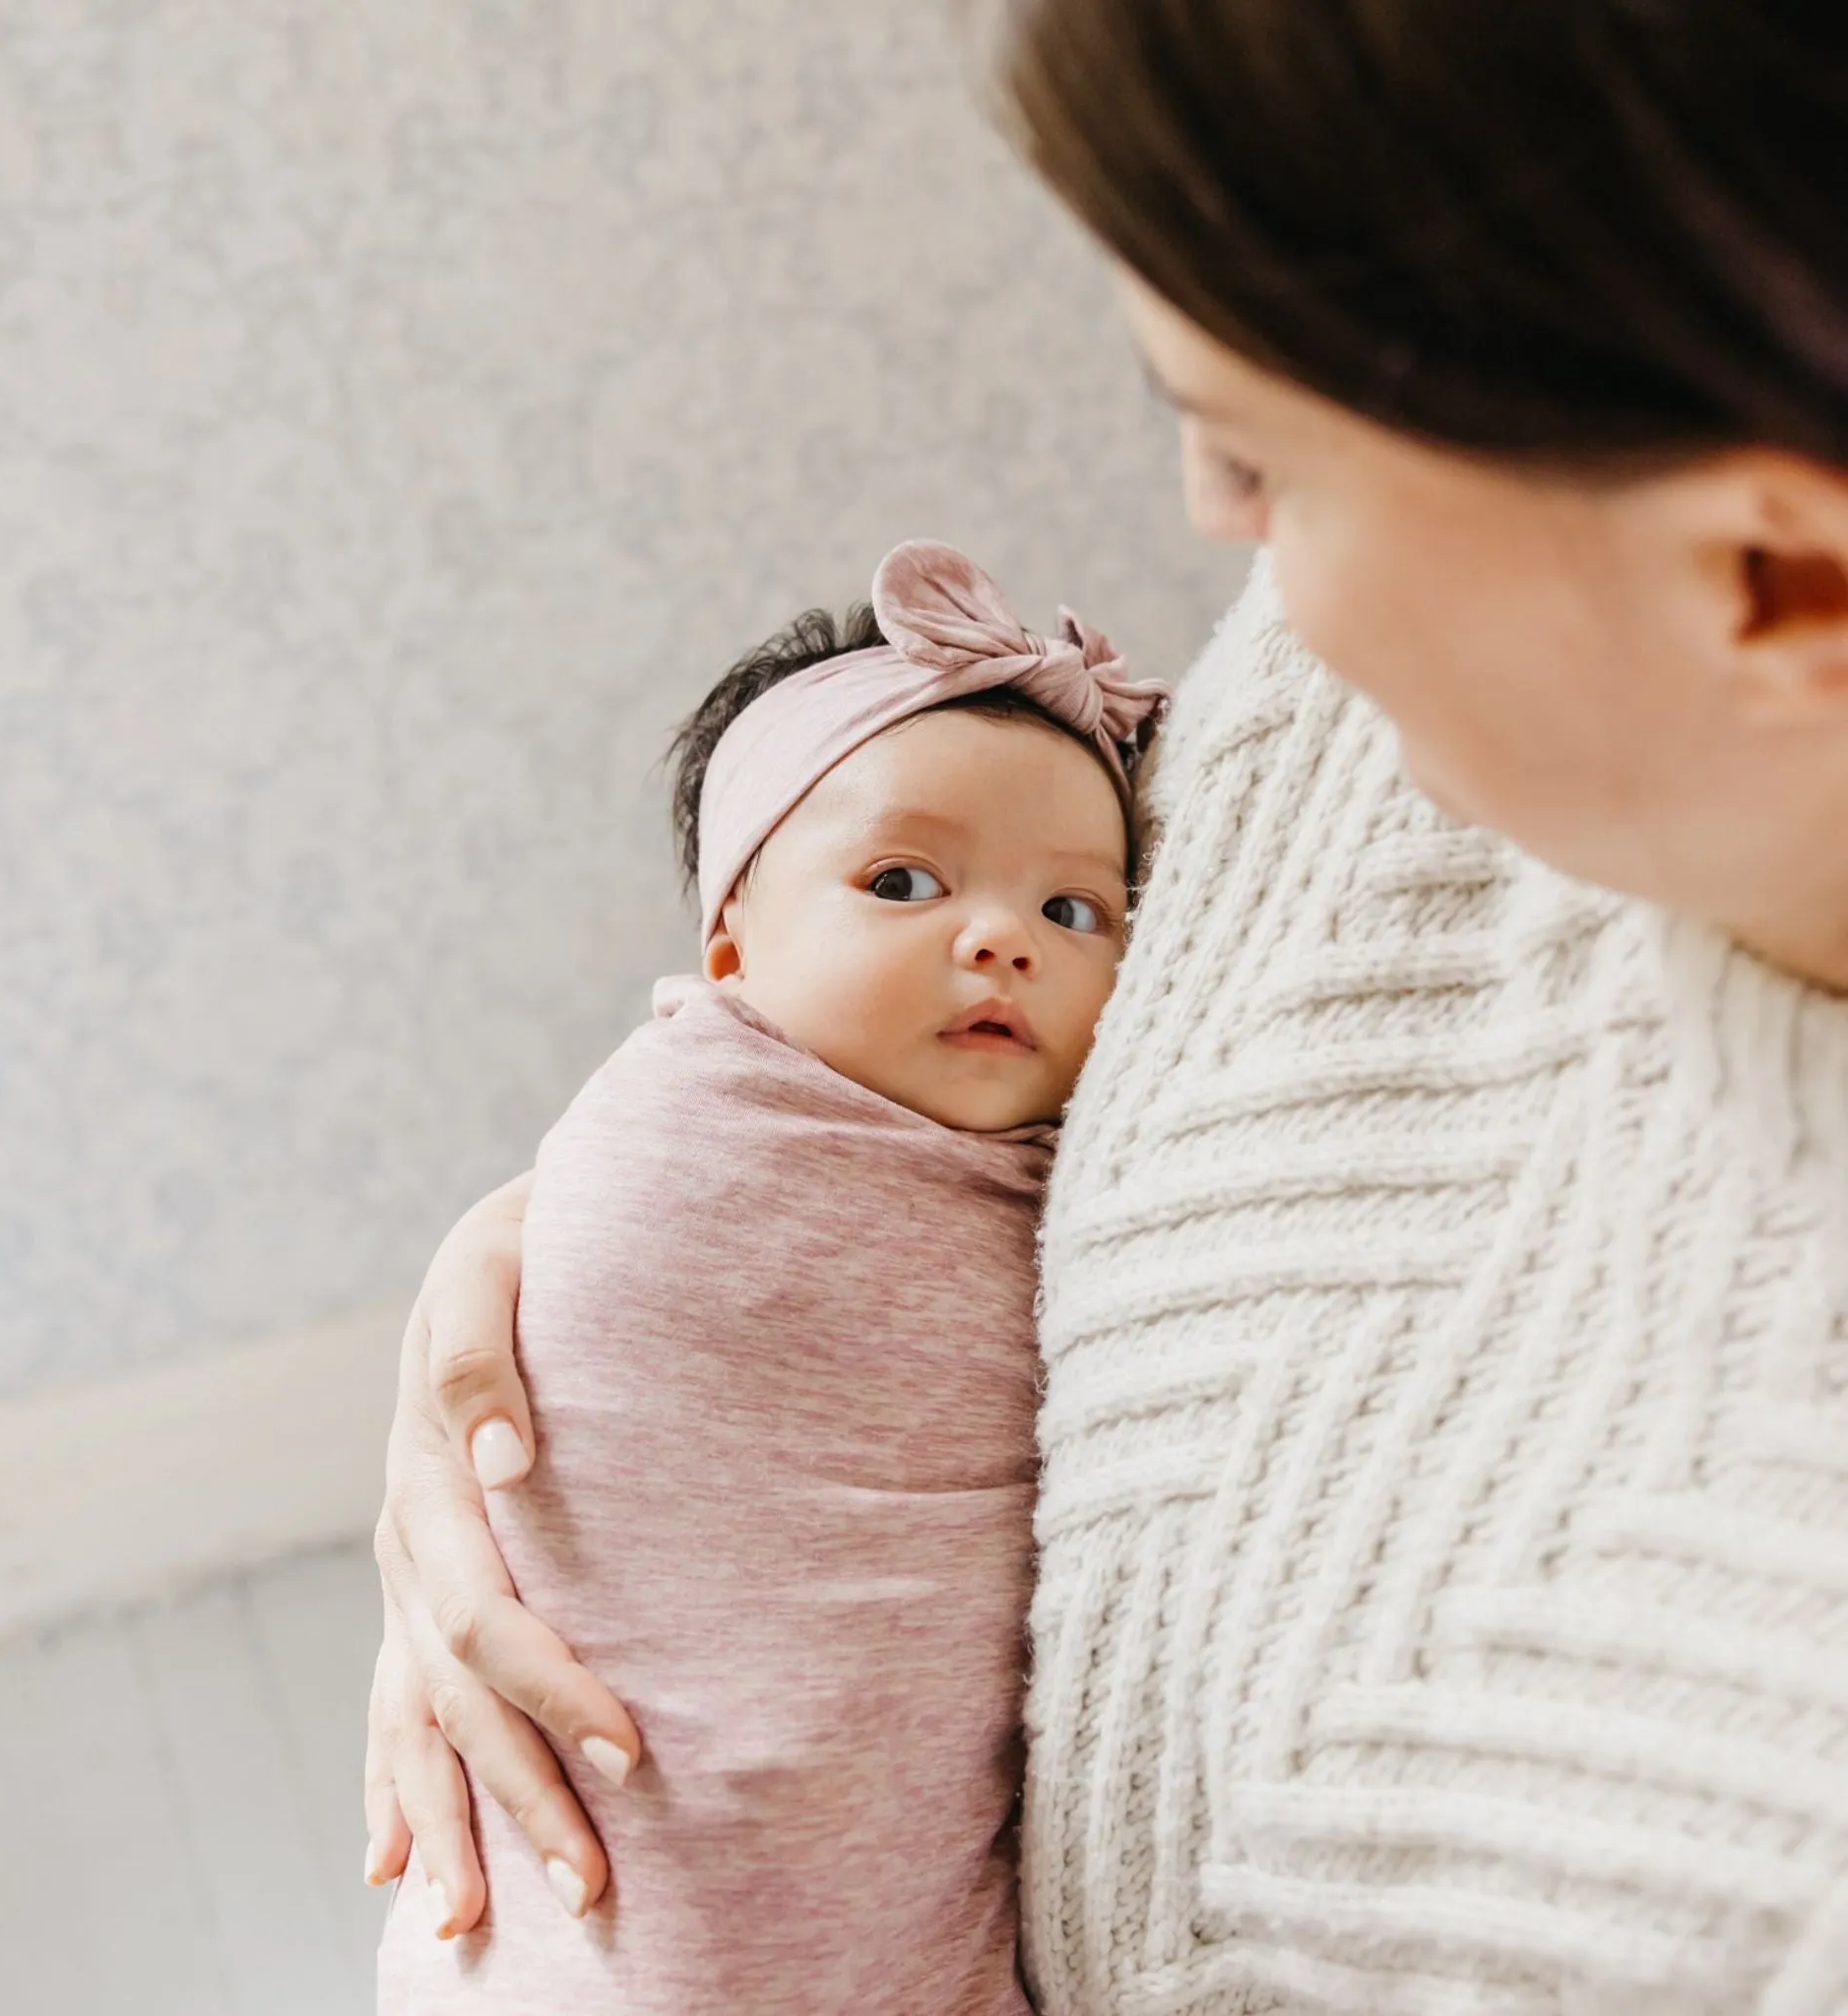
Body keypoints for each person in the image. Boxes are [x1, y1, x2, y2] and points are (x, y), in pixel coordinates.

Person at [366, 3, 1848, 2009]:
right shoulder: (1315, 740)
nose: (1205, 529)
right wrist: (553, 1342)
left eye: (1258, 456)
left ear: (1771, 585)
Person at [376, 538, 1166, 2013]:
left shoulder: (1089, 1170)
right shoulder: (683, 1120)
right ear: (728, 944)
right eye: (904, 879)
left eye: (1076, 913)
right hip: (599, 1891)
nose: (999, 938)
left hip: (899, 1927)